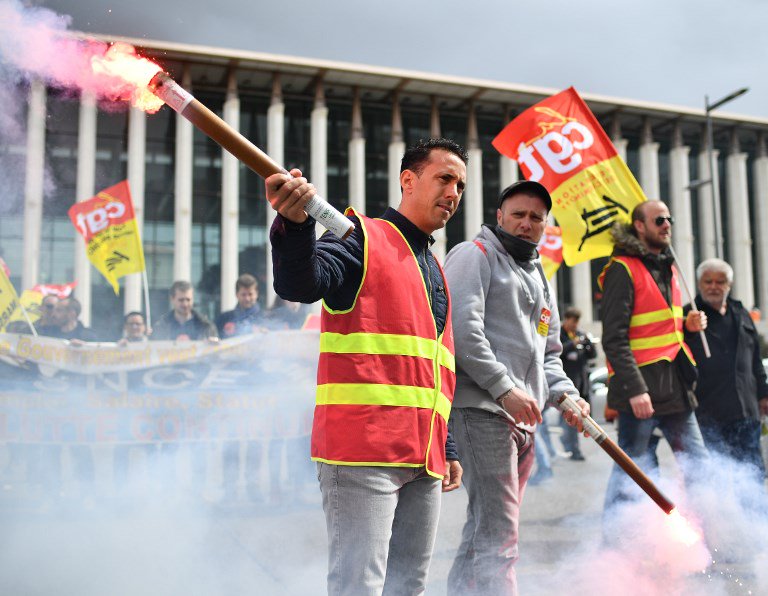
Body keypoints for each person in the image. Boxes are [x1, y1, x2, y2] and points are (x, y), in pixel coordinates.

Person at [266, 138, 465, 595]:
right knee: (360, 587)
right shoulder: (361, 237)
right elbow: (301, 284)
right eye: (444, 178)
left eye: (460, 184)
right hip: (363, 453)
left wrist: (446, 444)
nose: (454, 192)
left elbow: (433, 374)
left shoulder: (434, 267)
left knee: (407, 587)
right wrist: (295, 225)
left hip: (424, 457)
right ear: (408, 180)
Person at [443, 180, 588, 595]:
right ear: (500, 216)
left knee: (486, 529)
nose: (526, 223)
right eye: (519, 214)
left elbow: (549, 354)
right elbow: (462, 332)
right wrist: (504, 388)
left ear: (545, 225)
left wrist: (567, 395)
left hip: (524, 421)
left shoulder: (540, 276)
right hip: (482, 412)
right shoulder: (474, 255)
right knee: (500, 537)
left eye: (536, 217)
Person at [599, 201, 709, 523]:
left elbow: (661, 328)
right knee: (634, 474)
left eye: (669, 218)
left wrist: (687, 325)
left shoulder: (669, 267)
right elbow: (614, 339)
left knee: (700, 467)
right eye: (659, 219)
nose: (667, 224)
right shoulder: (622, 269)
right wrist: (636, 390)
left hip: (675, 388)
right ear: (640, 226)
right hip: (641, 395)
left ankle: (710, 532)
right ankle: (616, 540)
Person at [684, 258, 768, 479]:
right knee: (715, 479)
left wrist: (763, 394)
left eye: (720, 282)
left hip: (746, 411)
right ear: (699, 284)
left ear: (729, 285)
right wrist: (689, 329)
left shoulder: (741, 313)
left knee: (752, 476)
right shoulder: (689, 316)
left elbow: (755, 359)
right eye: (708, 281)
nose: (713, 286)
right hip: (708, 414)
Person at [559, 306, 597, 461]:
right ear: (566, 319)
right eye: (573, 321)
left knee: (571, 420)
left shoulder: (580, 334)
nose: (575, 325)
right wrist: (572, 343)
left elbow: (593, 355)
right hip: (566, 385)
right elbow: (556, 352)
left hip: (582, 385)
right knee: (571, 418)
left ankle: (567, 442)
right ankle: (574, 450)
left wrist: (589, 344)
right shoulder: (559, 334)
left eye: (577, 322)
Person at [151, 281, 218, 341]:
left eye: (188, 300)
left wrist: (214, 345)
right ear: (172, 299)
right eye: (181, 300)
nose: (185, 304)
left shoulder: (206, 327)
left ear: (193, 299)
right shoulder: (161, 327)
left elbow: (217, 350)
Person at [215, 274, 265, 338]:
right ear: (237, 294)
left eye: (250, 294)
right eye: (243, 294)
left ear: (256, 294)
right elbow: (215, 337)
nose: (247, 298)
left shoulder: (265, 318)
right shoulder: (223, 319)